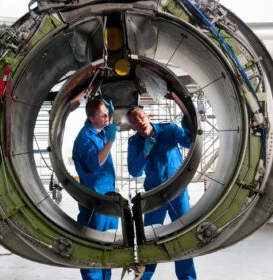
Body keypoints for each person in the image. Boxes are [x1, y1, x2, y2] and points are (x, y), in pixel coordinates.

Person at [126, 106, 197, 280]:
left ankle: (187, 277)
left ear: (148, 116)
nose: (139, 122)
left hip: (177, 192)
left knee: (183, 237)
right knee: (150, 240)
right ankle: (143, 277)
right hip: (154, 196)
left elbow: (189, 142)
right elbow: (134, 171)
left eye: (141, 117)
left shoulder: (170, 130)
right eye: (134, 121)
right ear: (132, 127)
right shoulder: (134, 142)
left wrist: (189, 124)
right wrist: (145, 151)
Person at [72, 97, 119, 280]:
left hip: (107, 199)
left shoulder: (99, 132)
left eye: (107, 114)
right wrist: (111, 142)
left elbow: (109, 121)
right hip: (94, 200)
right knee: (93, 247)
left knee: (108, 246)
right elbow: (96, 163)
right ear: (91, 118)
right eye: (103, 115)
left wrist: (110, 113)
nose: (107, 118)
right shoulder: (85, 138)